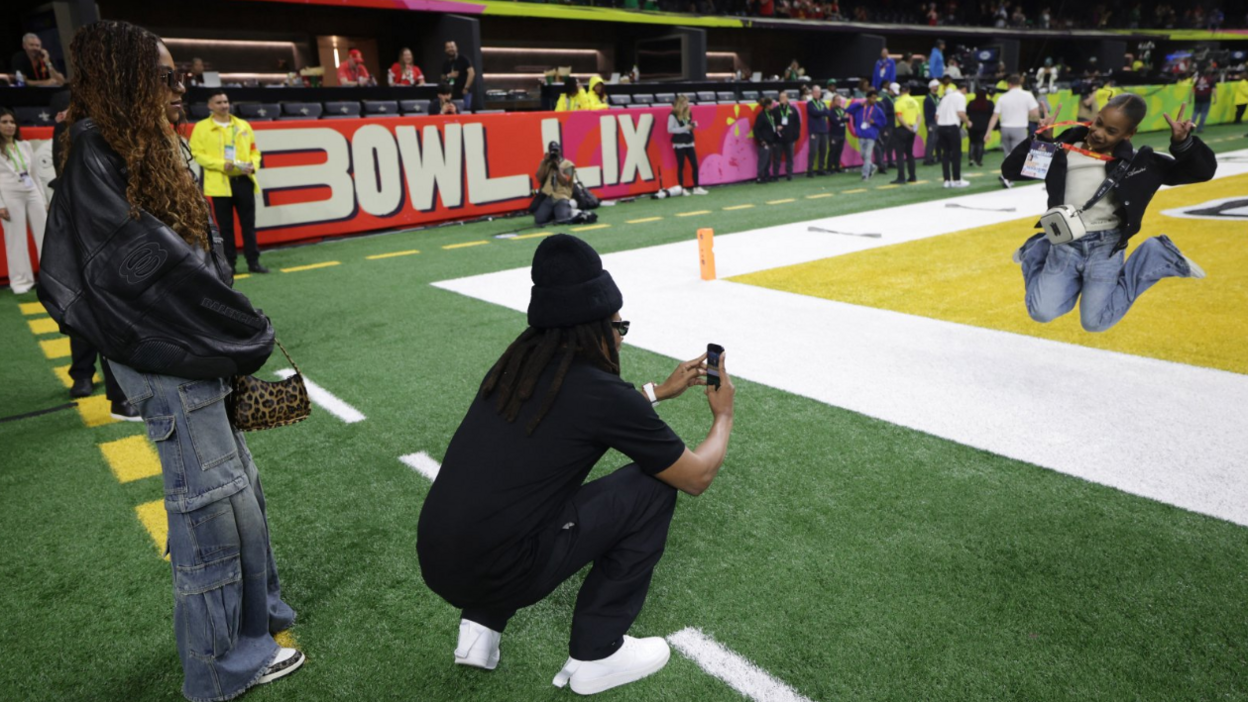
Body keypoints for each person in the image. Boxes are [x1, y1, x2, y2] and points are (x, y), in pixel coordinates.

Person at [37, 20, 303, 701]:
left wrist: (226, 330)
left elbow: (189, 256)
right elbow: (150, 272)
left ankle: (258, 625)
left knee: (238, 494)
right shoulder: (96, 148)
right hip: (168, 361)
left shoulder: (143, 139)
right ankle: (220, 666)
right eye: (161, 74)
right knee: (208, 508)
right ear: (125, 77)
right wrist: (236, 327)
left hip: (193, 350)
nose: (174, 84)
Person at [416, 233, 735, 696]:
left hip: (439, 557)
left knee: (522, 490)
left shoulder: (520, 364)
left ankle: (480, 631)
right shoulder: (597, 394)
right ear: (595, 328)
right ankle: (598, 654)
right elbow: (696, 476)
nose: (620, 340)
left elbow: (586, 412)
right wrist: (723, 415)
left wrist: (659, 393)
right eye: (618, 329)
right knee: (652, 488)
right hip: (500, 569)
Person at [1002, 96, 1216, 333]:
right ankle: (1036, 249)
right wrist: (1042, 140)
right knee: (1041, 312)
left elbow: (1201, 172)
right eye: (1099, 122)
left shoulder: (1139, 163)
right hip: (1063, 244)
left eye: (1111, 130)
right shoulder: (1062, 149)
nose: (1099, 133)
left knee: (1095, 322)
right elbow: (1011, 171)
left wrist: (1183, 143)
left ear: (1129, 133)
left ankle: (1156, 254)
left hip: (1106, 249)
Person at [189, 90, 269, 274]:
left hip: (244, 181)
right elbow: (197, 154)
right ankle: (230, 265)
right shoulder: (201, 128)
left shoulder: (242, 125)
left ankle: (253, 262)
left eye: (225, 101)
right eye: (218, 102)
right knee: (225, 228)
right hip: (219, 184)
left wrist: (253, 165)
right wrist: (220, 165)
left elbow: (254, 151)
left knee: (248, 225)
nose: (224, 105)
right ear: (210, 106)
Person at [1, 107, 48, 296]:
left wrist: (43, 199)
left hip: (32, 193)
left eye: (12, 122)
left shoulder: (25, 146)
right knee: (15, 239)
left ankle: (50, 277)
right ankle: (21, 281)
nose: (9, 126)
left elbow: (35, 175)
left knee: (45, 235)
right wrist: (0, 205)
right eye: (4, 122)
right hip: (9, 195)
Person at [985, 74, 1040, 188]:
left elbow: (994, 116)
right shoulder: (1027, 95)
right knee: (1018, 154)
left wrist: (988, 132)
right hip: (1019, 127)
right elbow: (1035, 113)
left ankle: (1008, 176)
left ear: (1009, 84)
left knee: (1007, 154)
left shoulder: (1002, 97)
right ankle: (1008, 177)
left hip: (1005, 128)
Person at [668, 95, 707, 195]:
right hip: (679, 143)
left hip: (689, 142)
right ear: (679, 103)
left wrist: (692, 126)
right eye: (684, 103)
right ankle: (682, 188)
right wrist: (685, 128)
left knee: (695, 165)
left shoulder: (688, 113)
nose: (686, 105)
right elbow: (670, 129)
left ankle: (696, 187)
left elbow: (688, 125)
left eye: (687, 103)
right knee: (681, 166)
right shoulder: (673, 115)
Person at [936, 80, 970, 188]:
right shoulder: (960, 97)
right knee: (956, 154)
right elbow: (960, 113)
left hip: (941, 127)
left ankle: (946, 180)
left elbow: (936, 116)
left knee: (945, 154)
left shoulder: (945, 98)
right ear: (964, 89)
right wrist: (968, 122)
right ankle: (957, 180)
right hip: (952, 126)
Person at [845, 90, 886, 180]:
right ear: (868, 98)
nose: (874, 100)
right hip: (861, 134)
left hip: (871, 135)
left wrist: (875, 122)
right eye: (873, 98)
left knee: (867, 155)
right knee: (863, 155)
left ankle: (865, 175)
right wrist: (859, 104)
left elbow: (883, 122)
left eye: (876, 98)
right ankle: (872, 166)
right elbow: (848, 110)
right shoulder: (859, 108)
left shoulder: (877, 110)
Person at [534, 142, 576, 225]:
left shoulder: (568, 164)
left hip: (562, 196)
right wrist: (544, 163)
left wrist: (557, 168)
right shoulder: (546, 162)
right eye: (552, 151)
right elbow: (539, 178)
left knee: (562, 219)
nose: (555, 153)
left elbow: (564, 182)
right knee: (539, 220)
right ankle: (555, 211)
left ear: (560, 151)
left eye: (556, 150)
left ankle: (571, 208)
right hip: (549, 196)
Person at [889, 83, 919, 184]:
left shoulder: (898, 102)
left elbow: (900, 118)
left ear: (900, 91)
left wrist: (908, 127)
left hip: (902, 129)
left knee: (900, 154)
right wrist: (915, 127)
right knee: (910, 154)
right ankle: (912, 176)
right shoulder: (914, 101)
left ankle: (901, 177)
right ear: (909, 91)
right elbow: (919, 116)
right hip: (912, 129)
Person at [770, 91, 800, 181]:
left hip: (790, 138)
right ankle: (775, 176)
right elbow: (771, 123)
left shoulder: (793, 109)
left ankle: (789, 174)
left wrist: (795, 136)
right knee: (777, 158)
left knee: (790, 158)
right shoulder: (775, 110)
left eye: (784, 97)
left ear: (787, 98)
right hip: (778, 138)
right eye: (780, 97)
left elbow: (797, 124)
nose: (782, 99)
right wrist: (776, 128)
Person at [806, 85, 833, 177]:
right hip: (814, 130)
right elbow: (814, 113)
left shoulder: (822, 103)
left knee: (823, 150)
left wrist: (822, 112)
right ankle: (810, 170)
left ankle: (821, 169)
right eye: (816, 92)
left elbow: (828, 112)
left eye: (819, 92)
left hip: (824, 130)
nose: (817, 93)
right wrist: (823, 112)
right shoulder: (810, 104)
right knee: (813, 151)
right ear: (812, 93)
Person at [442, 41, 476, 112]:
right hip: (452, 93)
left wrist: (466, 87)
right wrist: (449, 75)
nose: (451, 49)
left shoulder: (463, 59)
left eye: (452, 47)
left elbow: (471, 73)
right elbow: (442, 77)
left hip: (464, 92)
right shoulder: (446, 63)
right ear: (445, 50)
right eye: (448, 47)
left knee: (466, 111)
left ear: (456, 48)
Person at [966, 89, 994, 168]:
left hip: (972, 126)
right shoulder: (989, 104)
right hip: (984, 126)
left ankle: (971, 158)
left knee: (972, 142)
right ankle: (979, 160)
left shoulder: (971, 103)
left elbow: (967, 112)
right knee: (981, 143)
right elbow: (992, 115)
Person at [753, 96, 778, 184]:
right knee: (763, 160)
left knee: (768, 161)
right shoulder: (761, 116)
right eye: (771, 104)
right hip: (764, 142)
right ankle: (759, 177)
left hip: (771, 141)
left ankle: (766, 176)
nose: (773, 106)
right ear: (767, 105)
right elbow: (756, 129)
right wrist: (761, 140)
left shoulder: (771, 114)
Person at [874, 83, 897, 174]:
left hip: (893, 125)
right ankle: (881, 164)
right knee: (884, 145)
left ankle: (890, 161)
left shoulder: (893, 99)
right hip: (887, 126)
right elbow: (883, 114)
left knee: (891, 145)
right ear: (890, 90)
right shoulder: (885, 100)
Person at [922, 79, 942, 166]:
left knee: (936, 141)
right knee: (931, 141)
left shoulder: (937, 97)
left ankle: (934, 157)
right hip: (932, 122)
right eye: (935, 86)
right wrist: (928, 123)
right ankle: (928, 158)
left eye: (937, 86)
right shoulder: (928, 99)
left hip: (938, 121)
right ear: (931, 87)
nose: (937, 88)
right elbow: (926, 113)